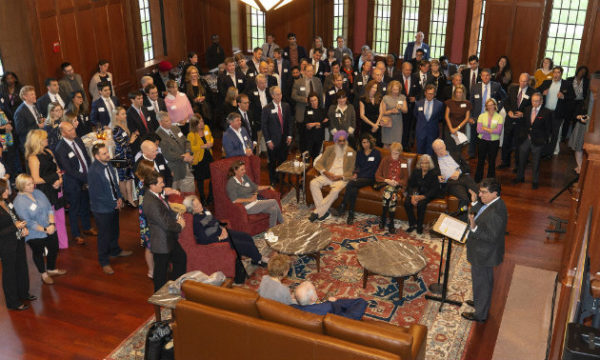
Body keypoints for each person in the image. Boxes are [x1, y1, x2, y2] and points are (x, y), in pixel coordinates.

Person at [462, 178, 507, 323]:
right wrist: (474, 202)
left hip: (484, 254)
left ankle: (480, 314)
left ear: (495, 193)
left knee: (483, 282)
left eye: (484, 193)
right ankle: (479, 302)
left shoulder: (496, 211)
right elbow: (479, 214)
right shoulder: (490, 204)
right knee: (480, 280)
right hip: (481, 252)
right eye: (480, 192)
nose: (480, 195)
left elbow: (491, 236)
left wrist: (474, 227)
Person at [184, 195, 266, 267]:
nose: (200, 205)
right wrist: (219, 238)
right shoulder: (196, 221)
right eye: (197, 206)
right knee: (247, 246)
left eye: (199, 203)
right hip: (218, 239)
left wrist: (223, 228)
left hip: (222, 231)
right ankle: (258, 259)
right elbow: (202, 240)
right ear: (192, 209)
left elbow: (214, 220)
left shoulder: (205, 210)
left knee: (247, 236)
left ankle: (253, 258)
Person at [13, 174, 66, 285]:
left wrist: (51, 224)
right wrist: (46, 229)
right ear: (21, 186)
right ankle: (43, 273)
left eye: (32, 183)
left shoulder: (38, 193)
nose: (33, 185)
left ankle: (51, 269)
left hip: (50, 227)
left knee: (54, 247)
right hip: (34, 233)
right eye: (29, 184)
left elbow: (49, 209)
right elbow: (28, 222)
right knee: (38, 253)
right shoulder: (19, 201)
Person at [88, 143, 132, 274]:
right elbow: (97, 195)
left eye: (107, 152)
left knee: (114, 230)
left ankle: (115, 250)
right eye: (104, 154)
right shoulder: (93, 171)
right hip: (102, 209)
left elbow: (114, 184)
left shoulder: (109, 165)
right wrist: (114, 203)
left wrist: (119, 198)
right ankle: (104, 261)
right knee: (104, 236)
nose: (108, 155)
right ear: (96, 156)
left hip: (113, 205)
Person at [142, 172, 187, 291]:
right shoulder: (151, 203)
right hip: (161, 242)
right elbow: (165, 223)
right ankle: (160, 298)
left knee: (180, 258)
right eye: (161, 183)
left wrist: (177, 215)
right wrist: (180, 226)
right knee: (160, 273)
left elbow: (166, 207)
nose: (163, 185)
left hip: (168, 239)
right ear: (152, 185)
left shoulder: (156, 194)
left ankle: (174, 287)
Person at [25, 129, 68, 248]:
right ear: (38, 141)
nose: (47, 140)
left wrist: (59, 181)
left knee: (60, 218)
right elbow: (35, 179)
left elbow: (58, 170)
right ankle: (49, 246)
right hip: (43, 192)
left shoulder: (49, 152)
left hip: (56, 188)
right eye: (44, 138)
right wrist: (53, 178)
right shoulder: (33, 158)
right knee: (47, 219)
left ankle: (62, 244)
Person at [54, 121, 96, 244]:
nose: (74, 131)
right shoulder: (60, 148)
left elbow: (86, 157)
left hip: (85, 178)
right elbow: (69, 170)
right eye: (70, 130)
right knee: (74, 209)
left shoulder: (78, 140)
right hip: (73, 183)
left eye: (73, 128)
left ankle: (87, 227)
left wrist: (90, 173)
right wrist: (86, 178)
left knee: (85, 205)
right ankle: (76, 234)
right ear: (63, 133)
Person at [0, 178, 34, 310]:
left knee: (22, 267)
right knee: (10, 273)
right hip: (6, 244)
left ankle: (23, 293)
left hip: (17, 239)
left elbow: (15, 216)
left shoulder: (6, 202)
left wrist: (22, 227)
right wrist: (16, 227)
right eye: (6, 189)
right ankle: (12, 302)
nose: (9, 191)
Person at [308, 131, 356, 222]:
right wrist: (326, 173)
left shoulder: (351, 152)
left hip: (340, 178)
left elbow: (351, 172)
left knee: (335, 191)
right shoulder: (329, 149)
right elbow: (318, 164)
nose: (342, 143)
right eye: (339, 141)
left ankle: (317, 212)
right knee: (313, 183)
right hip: (328, 175)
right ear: (335, 141)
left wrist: (340, 177)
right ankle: (324, 213)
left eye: (344, 141)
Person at [335, 134, 381, 224]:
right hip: (360, 178)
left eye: (367, 142)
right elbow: (357, 166)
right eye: (363, 142)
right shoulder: (359, 153)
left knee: (351, 183)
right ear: (361, 143)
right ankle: (351, 215)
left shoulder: (376, 153)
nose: (366, 144)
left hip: (370, 178)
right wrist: (356, 173)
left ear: (370, 142)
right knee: (353, 190)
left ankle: (342, 206)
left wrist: (359, 176)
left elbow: (374, 169)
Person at [226, 160, 283, 228]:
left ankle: (272, 230)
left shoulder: (244, 177)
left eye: (244, 169)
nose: (244, 171)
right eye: (242, 169)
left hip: (255, 202)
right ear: (235, 171)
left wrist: (268, 186)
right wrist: (249, 200)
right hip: (248, 206)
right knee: (273, 201)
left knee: (273, 209)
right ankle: (282, 222)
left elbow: (255, 187)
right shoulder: (231, 183)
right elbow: (234, 200)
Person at [514, 92, 552, 189]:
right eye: (533, 101)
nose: (534, 103)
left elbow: (549, 129)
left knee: (536, 162)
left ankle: (535, 181)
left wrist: (544, 140)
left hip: (538, 141)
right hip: (526, 139)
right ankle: (520, 177)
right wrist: (522, 135)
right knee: (521, 160)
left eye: (537, 101)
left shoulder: (546, 112)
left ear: (541, 101)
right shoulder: (527, 109)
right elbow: (524, 124)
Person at [431, 139, 479, 215]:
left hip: (462, 177)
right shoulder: (432, 161)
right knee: (464, 199)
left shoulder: (455, 153)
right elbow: (430, 176)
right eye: (437, 150)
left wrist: (458, 171)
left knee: (478, 193)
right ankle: (465, 216)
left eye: (441, 148)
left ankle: (482, 211)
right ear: (434, 151)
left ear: (445, 146)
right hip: (451, 182)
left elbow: (467, 167)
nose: (440, 151)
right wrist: (439, 178)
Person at [537, 66, 575, 156]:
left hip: (557, 113)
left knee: (554, 134)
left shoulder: (567, 84)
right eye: (554, 72)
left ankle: (549, 153)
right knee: (544, 132)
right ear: (552, 73)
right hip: (545, 111)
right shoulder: (547, 82)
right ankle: (542, 151)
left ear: (561, 74)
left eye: (558, 72)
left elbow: (573, 97)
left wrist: (564, 97)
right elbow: (536, 90)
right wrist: (542, 93)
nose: (556, 74)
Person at [468, 68, 506, 158]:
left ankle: (486, 156)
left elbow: (505, 97)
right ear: (480, 76)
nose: (485, 77)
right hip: (476, 117)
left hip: (490, 117)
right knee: (473, 136)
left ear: (490, 76)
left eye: (487, 75)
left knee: (487, 138)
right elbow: (471, 102)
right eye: (483, 76)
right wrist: (470, 116)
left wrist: (497, 109)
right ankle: (472, 154)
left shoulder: (496, 86)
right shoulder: (475, 87)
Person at [499, 73, 534, 170]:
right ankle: (505, 162)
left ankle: (518, 165)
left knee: (519, 145)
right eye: (521, 81)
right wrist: (509, 110)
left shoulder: (532, 92)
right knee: (506, 142)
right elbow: (506, 101)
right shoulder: (513, 89)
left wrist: (523, 114)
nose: (523, 83)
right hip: (510, 120)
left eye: (525, 81)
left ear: (528, 81)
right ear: (519, 80)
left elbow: (533, 107)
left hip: (522, 123)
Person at [155, 111, 195, 193]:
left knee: (189, 191)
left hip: (185, 165)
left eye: (170, 119)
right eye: (166, 121)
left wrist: (188, 153)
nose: (170, 122)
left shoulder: (175, 128)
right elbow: (167, 154)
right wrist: (184, 157)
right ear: (160, 122)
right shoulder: (158, 135)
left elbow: (186, 142)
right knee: (174, 195)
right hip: (173, 169)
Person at [261, 86, 293, 186]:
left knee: (283, 160)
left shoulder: (286, 106)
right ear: (272, 95)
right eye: (278, 94)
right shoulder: (267, 109)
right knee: (272, 162)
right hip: (273, 140)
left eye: (281, 94)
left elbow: (290, 122)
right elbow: (264, 126)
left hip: (284, 139)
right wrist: (268, 140)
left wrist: (290, 135)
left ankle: (281, 178)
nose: (280, 96)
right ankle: (273, 180)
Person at [375, 142, 409, 233]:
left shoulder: (403, 162)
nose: (394, 155)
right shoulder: (385, 160)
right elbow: (377, 175)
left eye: (397, 153)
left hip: (397, 186)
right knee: (391, 194)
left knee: (390, 193)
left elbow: (405, 179)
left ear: (400, 153)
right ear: (390, 152)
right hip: (386, 185)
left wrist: (397, 182)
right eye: (393, 153)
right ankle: (391, 222)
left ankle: (383, 218)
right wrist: (387, 180)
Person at [292, 281, 367, 320]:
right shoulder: (328, 307)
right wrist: (334, 302)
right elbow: (361, 302)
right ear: (312, 298)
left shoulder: (291, 308)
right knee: (360, 301)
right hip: (343, 320)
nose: (316, 291)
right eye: (314, 289)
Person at [404, 154, 439, 234]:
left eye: (426, 163)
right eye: (422, 163)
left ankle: (419, 226)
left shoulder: (434, 173)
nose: (424, 165)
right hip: (416, 193)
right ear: (420, 164)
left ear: (429, 164)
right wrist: (412, 196)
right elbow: (410, 185)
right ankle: (412, 224)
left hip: (428, 194)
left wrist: (423, 196)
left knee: (421, 204)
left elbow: (435, 189)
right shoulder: (416, 171)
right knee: (407, 203)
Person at [112, 107, 137, 206]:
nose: (125, 115)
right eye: (122, 114)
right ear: (117, 116)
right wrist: (131, 140)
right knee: (124, 178)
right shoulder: (116, 129)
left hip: (126, 155)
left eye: (125, 113)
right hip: (121, 156)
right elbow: (121, 143)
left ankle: (127, 199)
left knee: (127, 178)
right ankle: (128, 199)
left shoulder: (123, 125)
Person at [475, 99, 504, 182]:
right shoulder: (481, 116)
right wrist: (491, 130)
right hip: (482, 141)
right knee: (480, 160)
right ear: (486, 106)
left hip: (493, 142)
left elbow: (498, 131)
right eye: (488, 105)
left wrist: (485, 128)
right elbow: (479, 130)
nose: (490, 106)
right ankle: (477, 179)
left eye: (492, 105)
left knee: (492, 161)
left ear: (495, 105)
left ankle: (490, 180)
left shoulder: (499, 117)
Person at [187, 115, 214, 205]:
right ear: (195, 124)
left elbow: (210, 137)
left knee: (213, 176)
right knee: (200, 180)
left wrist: (211, 142)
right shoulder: (191, 135)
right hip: (198, 159)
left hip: (208, 156)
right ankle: (202, 198)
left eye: (202, 121)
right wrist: (202, 146)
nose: (202, 124)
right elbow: (191, 147)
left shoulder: (206, 128)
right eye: (199, 122)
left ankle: (210, 196)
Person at [414, 84, 444, 155]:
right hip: (420, 132)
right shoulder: (418, 104)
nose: (430, 95)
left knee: (430, 153)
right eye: (428, 93)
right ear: (425, 93)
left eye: (432, 94)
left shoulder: (439, 104)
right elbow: (415, 115)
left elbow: (440, 117)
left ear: (434, 94)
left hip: (432, 133)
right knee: (419, 153)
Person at [14, 85, 45, 152]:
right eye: (32, 94)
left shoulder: (35, 105)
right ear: (25, 96)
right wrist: (38, 126)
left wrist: (42, 120)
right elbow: (20, 130)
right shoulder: (19, 112)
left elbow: (37, 119)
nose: (35, 96)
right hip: (30, 143)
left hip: (40, 139)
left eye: (34, 94)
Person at [565, 66, 590, 144]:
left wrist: (585, 104)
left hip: (579, 103)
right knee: (567, 120)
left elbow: (587, 93)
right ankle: (563, 137)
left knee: (576, 121)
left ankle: (573, 138)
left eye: (584, 72)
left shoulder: (586, 81)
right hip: (570, 102)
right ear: (578, 71)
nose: (582, 72)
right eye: (581, 71)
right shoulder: (570, 79)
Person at [378, 80, 407, 148]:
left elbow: (405, 111)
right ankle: (386, 158)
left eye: (397, 89)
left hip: (398, 122)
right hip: (387, 123)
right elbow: (382, 112)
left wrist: (401, 108)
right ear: (390, 89)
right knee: (386, 143)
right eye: (394, 89)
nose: (396, 91)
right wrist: (391, 111)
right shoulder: (385, 98)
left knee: (397, 144)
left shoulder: (402, 97)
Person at [443, 85, 471, 153]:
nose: (458, 94)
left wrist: (457, 128)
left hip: (460, 130)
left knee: (458, 150)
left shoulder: (467, 103)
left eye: (460, 92)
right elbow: (446, 116)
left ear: (463, 93)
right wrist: (451, 129)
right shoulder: (449, 102)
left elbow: (467, 118)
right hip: (449, 129)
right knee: (448, 149)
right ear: (454, 93)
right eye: (457, 92)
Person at [568, 96, 592, 175]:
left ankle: (583, 168)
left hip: (593, 129)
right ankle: (580, 166)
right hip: (581, 126)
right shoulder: (582, 101)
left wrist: (590, 118)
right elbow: (574, 114)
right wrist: (580, 117)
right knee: (578, 147)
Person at [303, 92, 327, 160]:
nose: (314, 102)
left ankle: (314, 170)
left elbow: (327, 123)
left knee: (317, 157)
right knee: (307, 157)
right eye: (311, 101)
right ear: (309, 102)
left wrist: (316, 124)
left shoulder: (322, 110)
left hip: (320, 137)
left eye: (315, 100)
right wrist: (319, 123)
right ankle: (306, 170)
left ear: (318, 100)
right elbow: (308, 125)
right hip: (309, 137)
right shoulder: (307, 110)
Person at [359, 80, 382, 146]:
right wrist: (373, 125)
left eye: (376, 88)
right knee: (366, 145)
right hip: (366, 124)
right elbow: (362, 115)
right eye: (373, 87)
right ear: (368, 88)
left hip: (377, 124)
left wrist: (376, 124)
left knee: (377, 145)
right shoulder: (362, 99)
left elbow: (381, 113)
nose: (374, 90)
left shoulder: (379, 98)